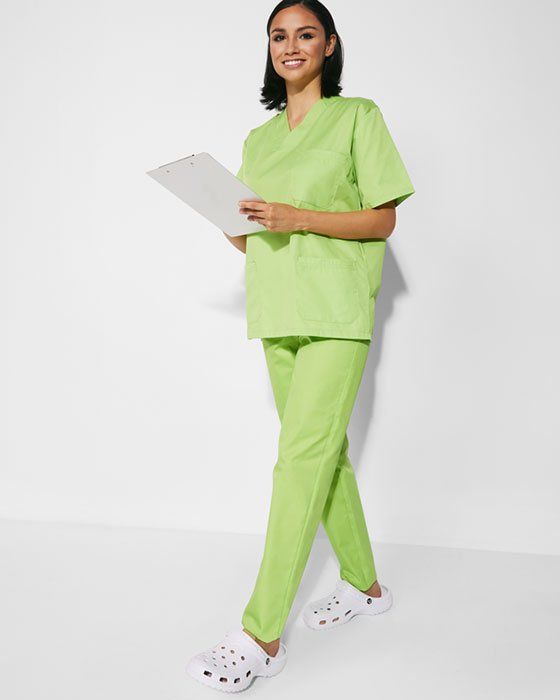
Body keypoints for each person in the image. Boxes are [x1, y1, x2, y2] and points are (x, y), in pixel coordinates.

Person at [186, 0, 414, 692]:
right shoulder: (258, 140)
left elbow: (382, 220)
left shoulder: (357, 117)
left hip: (336, 310)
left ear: (328, 45)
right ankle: (366, 587)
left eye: (305, 34)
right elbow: (254, 237)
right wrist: (225, 215)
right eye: (278, 36)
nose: (291, 45)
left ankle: (261, 635)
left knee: (298, 461)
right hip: (277, 309)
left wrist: (297, 216)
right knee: (324, 455)